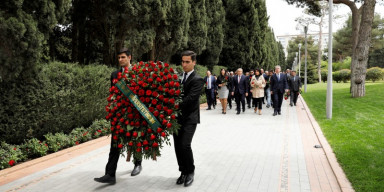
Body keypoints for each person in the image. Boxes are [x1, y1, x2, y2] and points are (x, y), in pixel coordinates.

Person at [94, 48, 142, 184]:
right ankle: (110, 174)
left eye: (123, 57)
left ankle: (138, 163)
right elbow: (112, 94)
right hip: (119, 115)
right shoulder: (114, 75)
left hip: (134, 113)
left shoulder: (137, 72)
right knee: (115, 143)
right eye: (119, 58)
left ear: (129, 57)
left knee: (135, 140)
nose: (120, 60)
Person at [174, 50, 205, 187]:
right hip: (177, 118)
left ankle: (190, 171)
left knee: (185, 145)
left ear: (194, 62)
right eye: (183, 61)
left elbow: (191, 99)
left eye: (187, 62)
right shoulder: (178, 76)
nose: (184, 64)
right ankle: (183, 172)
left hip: (190, 118)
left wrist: (174, 104)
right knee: (177, 146)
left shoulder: (198, 79)